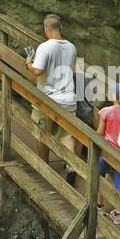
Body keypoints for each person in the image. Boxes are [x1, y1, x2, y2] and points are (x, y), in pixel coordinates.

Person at [27, 14, 78, 165]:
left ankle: (44, 164)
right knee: (66, 135)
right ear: (60, 28)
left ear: (46, 29)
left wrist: (28, 64)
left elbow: (37, 71)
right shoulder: (71, 47)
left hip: (47, 99)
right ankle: (70, 167)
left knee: (42, 131)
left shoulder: (45, 47)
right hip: (68, 98)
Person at [96, 82, 120, 226]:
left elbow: (99, 133)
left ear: (115, 96)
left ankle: (99, 206)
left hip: (105, 152)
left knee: (99, 176)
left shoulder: (106, 112)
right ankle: (118, 212)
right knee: (119, 183)